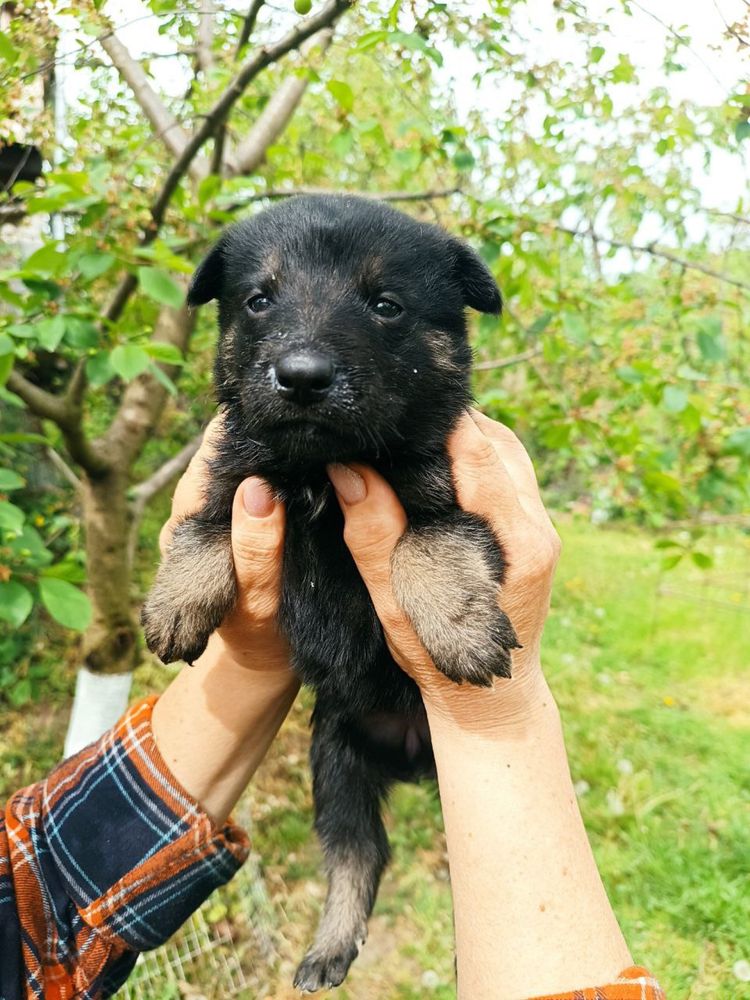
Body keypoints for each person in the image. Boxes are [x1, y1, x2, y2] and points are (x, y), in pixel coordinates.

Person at [0, 411, 664, 1000]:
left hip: (426, 687)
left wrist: (482, 693)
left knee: (479, 834)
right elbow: (218, 522)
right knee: (341, 798)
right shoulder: (260, 442)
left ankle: (486, 935)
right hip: (350, 707)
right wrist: (218, 578)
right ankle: (344, 911)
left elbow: (39, 897)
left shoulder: (422, 439)